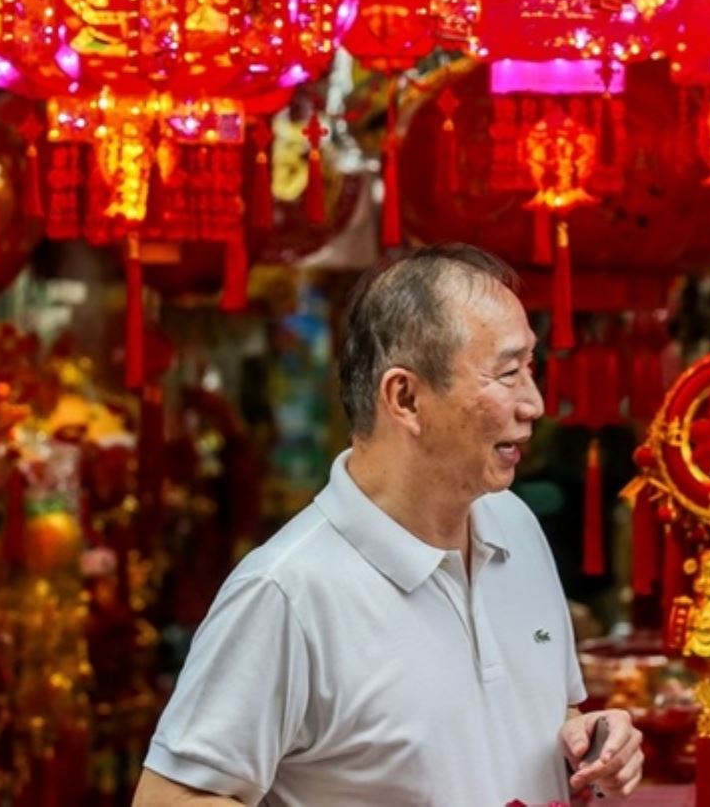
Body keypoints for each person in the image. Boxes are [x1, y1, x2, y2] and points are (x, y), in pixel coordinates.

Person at [134, 245, 643, 806]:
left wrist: (590, 739)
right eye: (506, 372)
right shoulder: (286, 592)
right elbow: (169, 799)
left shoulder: (514, 525)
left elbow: (540, 718)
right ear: (405, 397)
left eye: (530, 368)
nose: (535, 403)